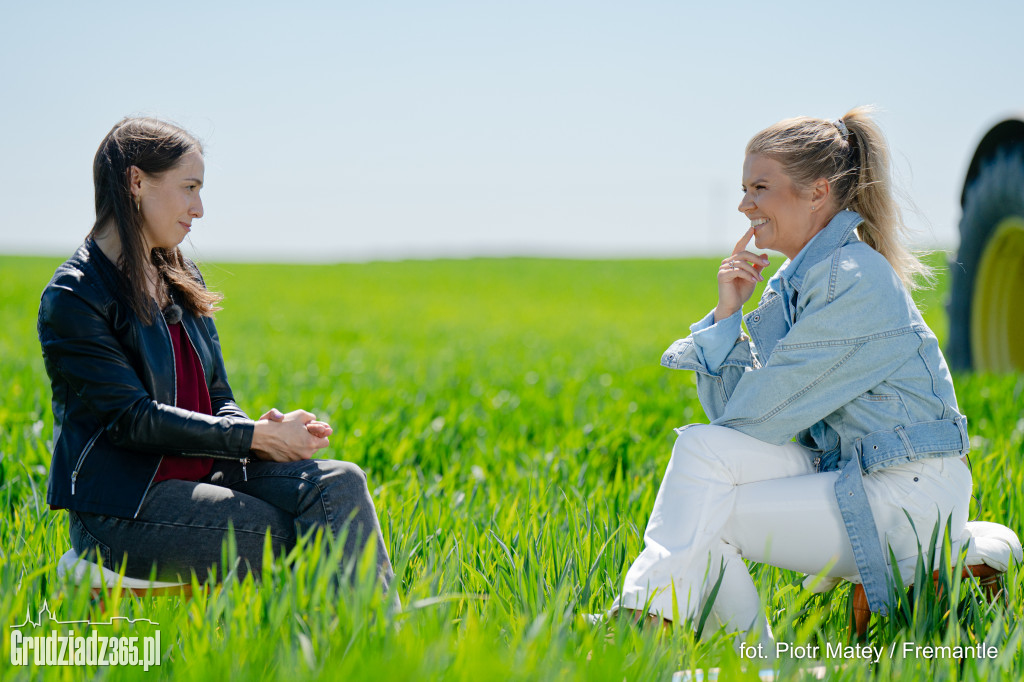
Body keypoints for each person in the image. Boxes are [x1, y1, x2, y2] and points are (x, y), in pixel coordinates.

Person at [610, 108, 972, 647]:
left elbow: (759, 418)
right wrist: (728, 315)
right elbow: (733, 428)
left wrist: (730, 335)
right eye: (743, 188)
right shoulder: (790, 287)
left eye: (760, 187)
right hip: (853, 470)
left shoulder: (855, 279)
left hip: (909, 490)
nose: (743, 204)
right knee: (703, 455)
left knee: (706, 515)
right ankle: (702, 638)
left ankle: (692, 637)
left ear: (817, 191)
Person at [38, 117, 395, 593]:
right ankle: (345, 654)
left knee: (340, 483)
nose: (199, 208)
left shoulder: (183, 278)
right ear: (136, 181)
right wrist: (251, 437)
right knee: (300, 535)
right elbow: (132, 419)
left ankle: (369, 652)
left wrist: (260, 432)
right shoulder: (75, 296)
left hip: (206, 468)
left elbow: (218, 396)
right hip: (122, 510)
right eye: (189, 188)